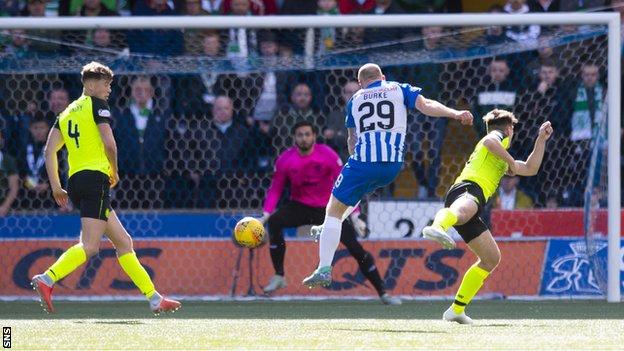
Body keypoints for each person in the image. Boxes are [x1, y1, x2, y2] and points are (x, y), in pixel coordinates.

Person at [302, 63, 473, 288]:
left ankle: (324, 267)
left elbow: (352, 141)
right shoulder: (398, 88)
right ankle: (326, 229)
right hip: (393, 166)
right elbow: (426, 105)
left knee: (333, 210)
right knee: (347, 204)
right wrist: (455, 113)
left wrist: (357, 167)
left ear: (361, 82)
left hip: (363, 163)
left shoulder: (355, 99)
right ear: (383, 77)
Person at [30, 61, 180, 314]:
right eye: (105, 83)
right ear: (89, 84)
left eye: (110, 84)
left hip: (76, 180)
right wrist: (114, 170)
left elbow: (49, 151)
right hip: (95, 179)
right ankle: (47, 278)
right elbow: (110, 144)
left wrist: (56, 186)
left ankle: (155, 298)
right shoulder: (97, 105)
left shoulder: (65, 113)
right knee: (89, 246)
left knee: (123, 242)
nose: (109, 89)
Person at [422, 109, 552, 324]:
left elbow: (530, 168)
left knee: (491, 258)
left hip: (474, 199)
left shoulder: (499, 159)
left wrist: (541, 139)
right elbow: (489, 142)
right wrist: (510, 161)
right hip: (468, 188)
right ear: (509, 129)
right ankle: (437, 226)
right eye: (512, 130)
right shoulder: (498, 138)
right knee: (463, 211)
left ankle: (456, 310)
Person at [260, 121, 401, 305]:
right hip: (299, 206)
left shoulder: (328, 156)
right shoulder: (285, 160)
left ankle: (383, 292)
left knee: (355, 248)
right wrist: (265, 214)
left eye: (307, 134)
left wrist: (355, 215)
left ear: (314, 136)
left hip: (328, 209)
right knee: (275, 221)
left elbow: (348, 185)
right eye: (300, 135)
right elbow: (276, 190)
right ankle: (279, 275)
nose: (304, 138)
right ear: (294, 138)